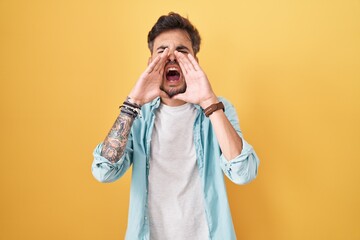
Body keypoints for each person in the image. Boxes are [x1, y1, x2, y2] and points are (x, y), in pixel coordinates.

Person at [92, 12, 260, 240]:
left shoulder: (219, 109)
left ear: (195, 63)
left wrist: (209, 101)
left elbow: (243, 173)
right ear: (150, 63)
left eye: (182, 51)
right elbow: (104, 172)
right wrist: (133, 103)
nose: (171, 57)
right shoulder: (138, 116)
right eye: (161, 51)